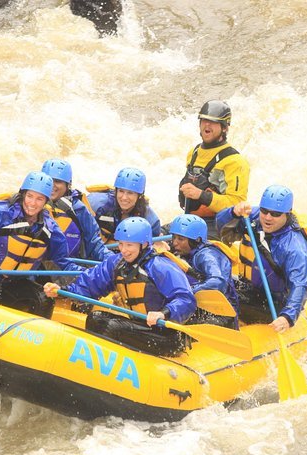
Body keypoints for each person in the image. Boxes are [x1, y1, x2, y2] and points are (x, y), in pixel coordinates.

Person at [43, 217, 196, 357]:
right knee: (97, 318)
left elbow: (186, 299)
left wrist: (164, 313)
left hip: (166, 335)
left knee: (110, 326)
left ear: (143, 244)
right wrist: (62, 290)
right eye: (121, 244)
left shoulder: (161, 266)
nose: (123, 250)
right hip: (140, 326)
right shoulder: (117, 263)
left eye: (129, 245)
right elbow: (90, 283)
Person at [0, 171, 85, 317]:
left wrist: (87, 274)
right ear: (23, 194)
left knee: (44, 299)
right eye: (30, 196)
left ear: (46, 202)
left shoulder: (50, 229)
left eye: (39, 199)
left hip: (12, 283)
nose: (32, 203)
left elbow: (63, 261)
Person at [216, 185, 307, 333]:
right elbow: (220, 226)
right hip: (250, 288)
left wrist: (287, 317)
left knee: (225, 295)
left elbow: (299, 284)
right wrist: (232, 212)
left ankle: (226, 330)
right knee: (212, 282)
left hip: (275, 302)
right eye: (265, 211)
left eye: (275, 214)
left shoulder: (295, 248)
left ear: (287, 214)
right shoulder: (254, 217)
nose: (268, 217)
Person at [175, 100, 250, 239]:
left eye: (213, 122)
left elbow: (237, 204)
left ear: (224, 128)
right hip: (191, 221)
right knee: (156, 236)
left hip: (219, 227)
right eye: (204, 120)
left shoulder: (235, 162)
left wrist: (201, 195)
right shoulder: (194, 152)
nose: (207, 125)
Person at [169, 214, 240, 329]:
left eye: (180, 239)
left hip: (222, 314)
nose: (174, 243)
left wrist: (186, 292)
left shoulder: (207, 255)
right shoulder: (186, 251)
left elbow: (218, 282)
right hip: (200, 308)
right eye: (174, 237)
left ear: (196, 240)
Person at [41, 158, 113, 262]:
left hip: (70, 266)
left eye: (58, 181)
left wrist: (113, 262)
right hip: (36, 268)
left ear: (68, 185)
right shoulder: (32, 205)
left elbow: (94, 243)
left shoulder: (78, 209)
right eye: (49, 180)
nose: (52, 185)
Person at [86, 167, 165, 248]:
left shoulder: (150, 220)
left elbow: (153, 245)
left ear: (140, 196)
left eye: (130, 193)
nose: (124, 197)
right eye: (121, 191)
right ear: (115, 191)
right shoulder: (95, 203)